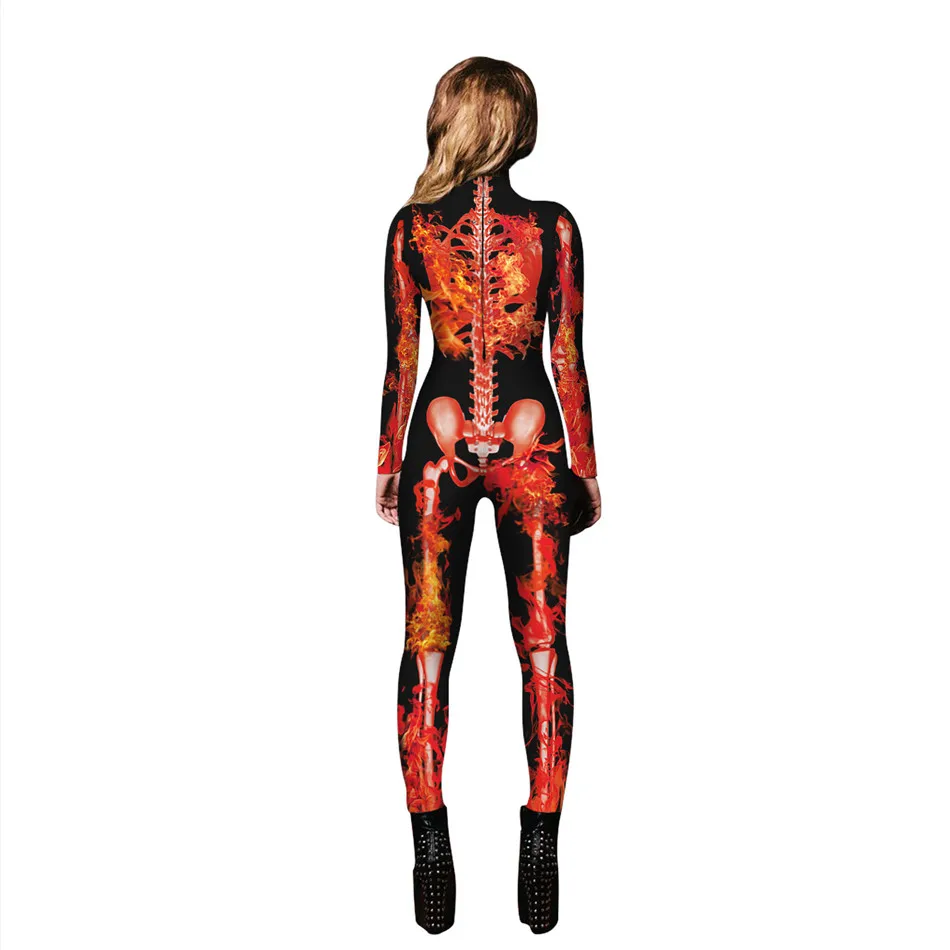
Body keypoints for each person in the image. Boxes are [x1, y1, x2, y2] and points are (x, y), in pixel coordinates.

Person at [375, 56, 602, 934]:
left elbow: (402, 357)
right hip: (533, 449)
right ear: (515, 123)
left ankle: (431, 848)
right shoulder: (553, 226)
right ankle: (540, 847)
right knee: (541, 645)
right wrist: (586, 466)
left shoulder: (411, 228)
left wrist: (387, 462)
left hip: (434, 455)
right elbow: (566, 354)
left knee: (427, 643)